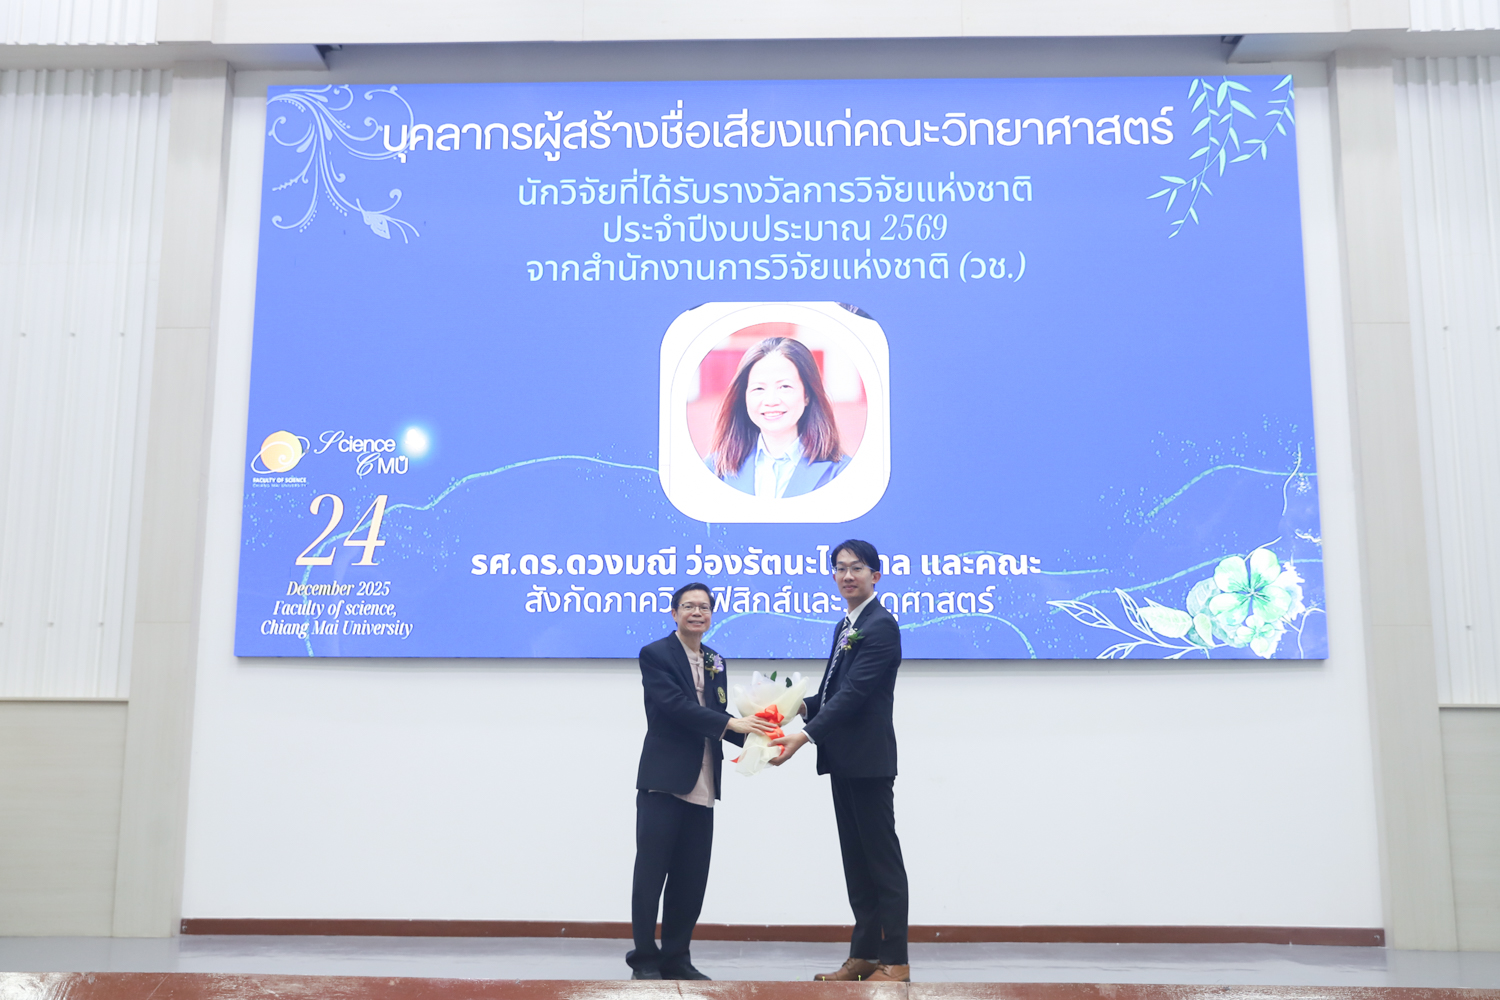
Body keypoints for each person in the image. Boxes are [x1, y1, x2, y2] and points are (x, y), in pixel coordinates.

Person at [771, 539, 909, 983]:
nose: (847, 575)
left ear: (875, 575)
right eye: (840, 568)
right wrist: (796, 706)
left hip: (868, 760)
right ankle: (865, 955)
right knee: (857, 863)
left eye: (857, 567)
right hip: (845, 759)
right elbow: (833, 692)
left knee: (881, 863)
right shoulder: (846, 624)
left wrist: (804, 736)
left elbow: (854, 694)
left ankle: (896, 960)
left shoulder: (880, 625)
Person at [627, 582, 776, 981]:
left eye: (705, 607)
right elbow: (675, 707)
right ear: (674, 612)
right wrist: (733, 724)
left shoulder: (715, 660)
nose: (697, 613)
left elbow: (719, 713)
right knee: (651, 875)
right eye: (689, 606)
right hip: (664, 780)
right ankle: (645, 960)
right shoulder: (655, 654)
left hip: (704, 779)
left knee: (691, 878)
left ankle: (677, 958)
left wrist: (764, 739)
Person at [705, 336, 850, 498]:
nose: (771, 401)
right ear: (744, 397)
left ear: (807, 395)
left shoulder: (843, 474)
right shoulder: (714, 470)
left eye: (784, 386)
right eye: (759, 389)